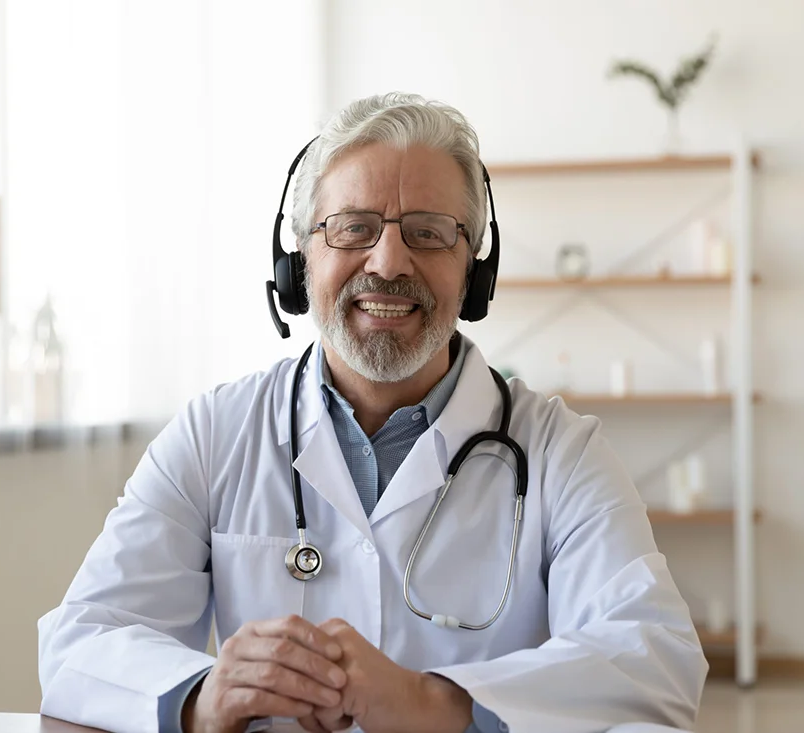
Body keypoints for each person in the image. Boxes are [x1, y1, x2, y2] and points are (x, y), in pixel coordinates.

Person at [37, 92, 707, 733]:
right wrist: (200, 698)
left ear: (475, 272)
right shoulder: (216, 432)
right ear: (298, 260)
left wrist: (432, 702)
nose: (388, 263)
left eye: (429, 233)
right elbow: (80, 640)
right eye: (353, 228)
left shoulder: (562, 452)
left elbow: (655, 656)